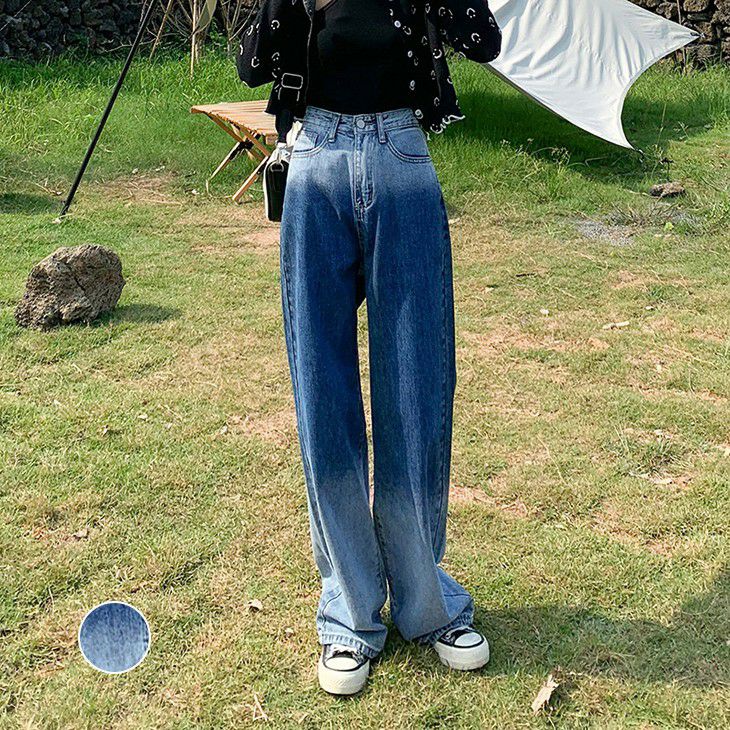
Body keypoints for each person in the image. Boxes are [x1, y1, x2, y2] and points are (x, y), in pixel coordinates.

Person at [238, 0, 501, 695]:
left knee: (416, 387)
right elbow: (252, 64)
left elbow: (484, 40)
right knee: (322, 394)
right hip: (315, 159)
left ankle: (426, 603)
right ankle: (350, 613)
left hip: (402, 157)